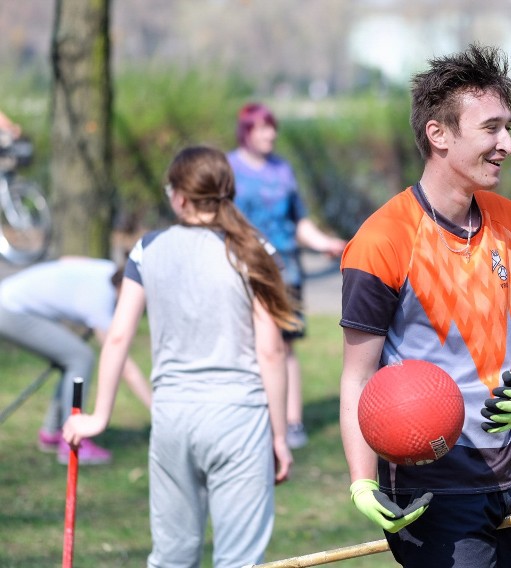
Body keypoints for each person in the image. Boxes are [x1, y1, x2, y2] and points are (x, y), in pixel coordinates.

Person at [338, 44, 511, 567]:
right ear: (439, 134)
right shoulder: (382, 240)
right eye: (492, 128)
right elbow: (356, 379)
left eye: (509, 126)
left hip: (509, 477)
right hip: (430, 486)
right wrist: (362, 482)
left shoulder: (509, 221)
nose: (508, 144)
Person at [62, 146, 298, 567]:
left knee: (172, 558)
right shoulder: (254, 248)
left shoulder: (146, 249)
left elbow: (117, 337)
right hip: (238, 421)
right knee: (239, 560)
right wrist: (279, 436)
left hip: (173, 419)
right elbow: (271, 350)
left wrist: (99, 416)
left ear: (180, 198)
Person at [228, 103, 347, 449]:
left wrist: (325, 243)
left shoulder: (283, 170)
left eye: (273, 128)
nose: (271, 135)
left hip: (286, 270)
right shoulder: (229, 167)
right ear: (246, 131)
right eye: (263, 128)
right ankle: (253, 418)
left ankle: (291, 421)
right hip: (244, 269)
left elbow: (299, 222)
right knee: (248, 346)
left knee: (284, 345)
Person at [0, 256, 151, 465]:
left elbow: (66, 260)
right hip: (9, 309)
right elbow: (123, 363)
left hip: (8, 296)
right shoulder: (101, 300)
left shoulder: (106, 268)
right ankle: (70, 440)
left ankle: (52, 433)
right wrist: (155, 408)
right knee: (80, 357)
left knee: (71, 357)